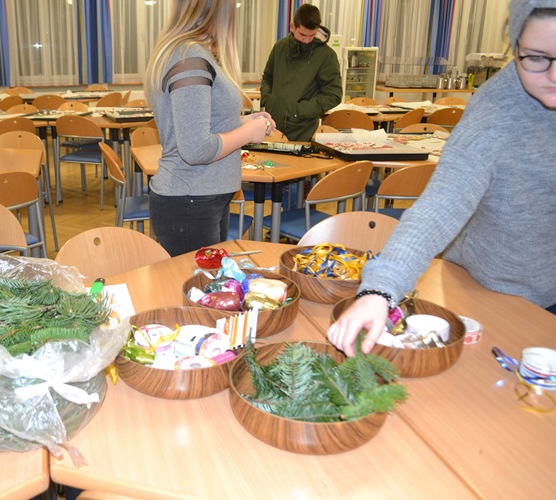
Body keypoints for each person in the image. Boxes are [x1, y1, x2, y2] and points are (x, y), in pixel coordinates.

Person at [328, 0, 556, 357]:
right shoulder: (496, 112)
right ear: (515, 49)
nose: (554, 75)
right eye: (537, 58)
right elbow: (441, 204)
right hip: (488, 289)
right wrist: (380, 290)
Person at [144, 0, 275, 257]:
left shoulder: (191, 53)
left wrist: (242, 123)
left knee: (203, 289)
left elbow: (201, 125)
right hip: (192, 199)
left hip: (201, 197)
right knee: (196, 291)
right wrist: (248, 134)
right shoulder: (190, 57)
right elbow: (195, 149)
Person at [260, 4, 343, 142]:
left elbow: (333, 95)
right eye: (303, 35)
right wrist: (269, 100)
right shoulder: (280, 47)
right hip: (273, 126)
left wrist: (300, 110)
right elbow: (267, 78)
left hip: (302, 130)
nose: (307, 40)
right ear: (292, 27)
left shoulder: (326, 55)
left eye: (312, 35)